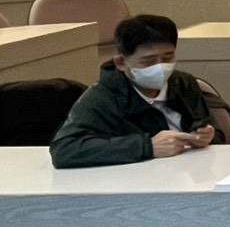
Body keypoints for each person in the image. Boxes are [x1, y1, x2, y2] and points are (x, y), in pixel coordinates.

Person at [50, 14, 216, 168]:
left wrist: (205, 135)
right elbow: (64, 150)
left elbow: (206, 125)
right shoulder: (103, 96)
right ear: (121, 63)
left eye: (167, 58)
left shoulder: (183, 82)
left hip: (187, 172)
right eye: (148, 61)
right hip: (135, 179)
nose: (160, 67)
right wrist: (147, 146)